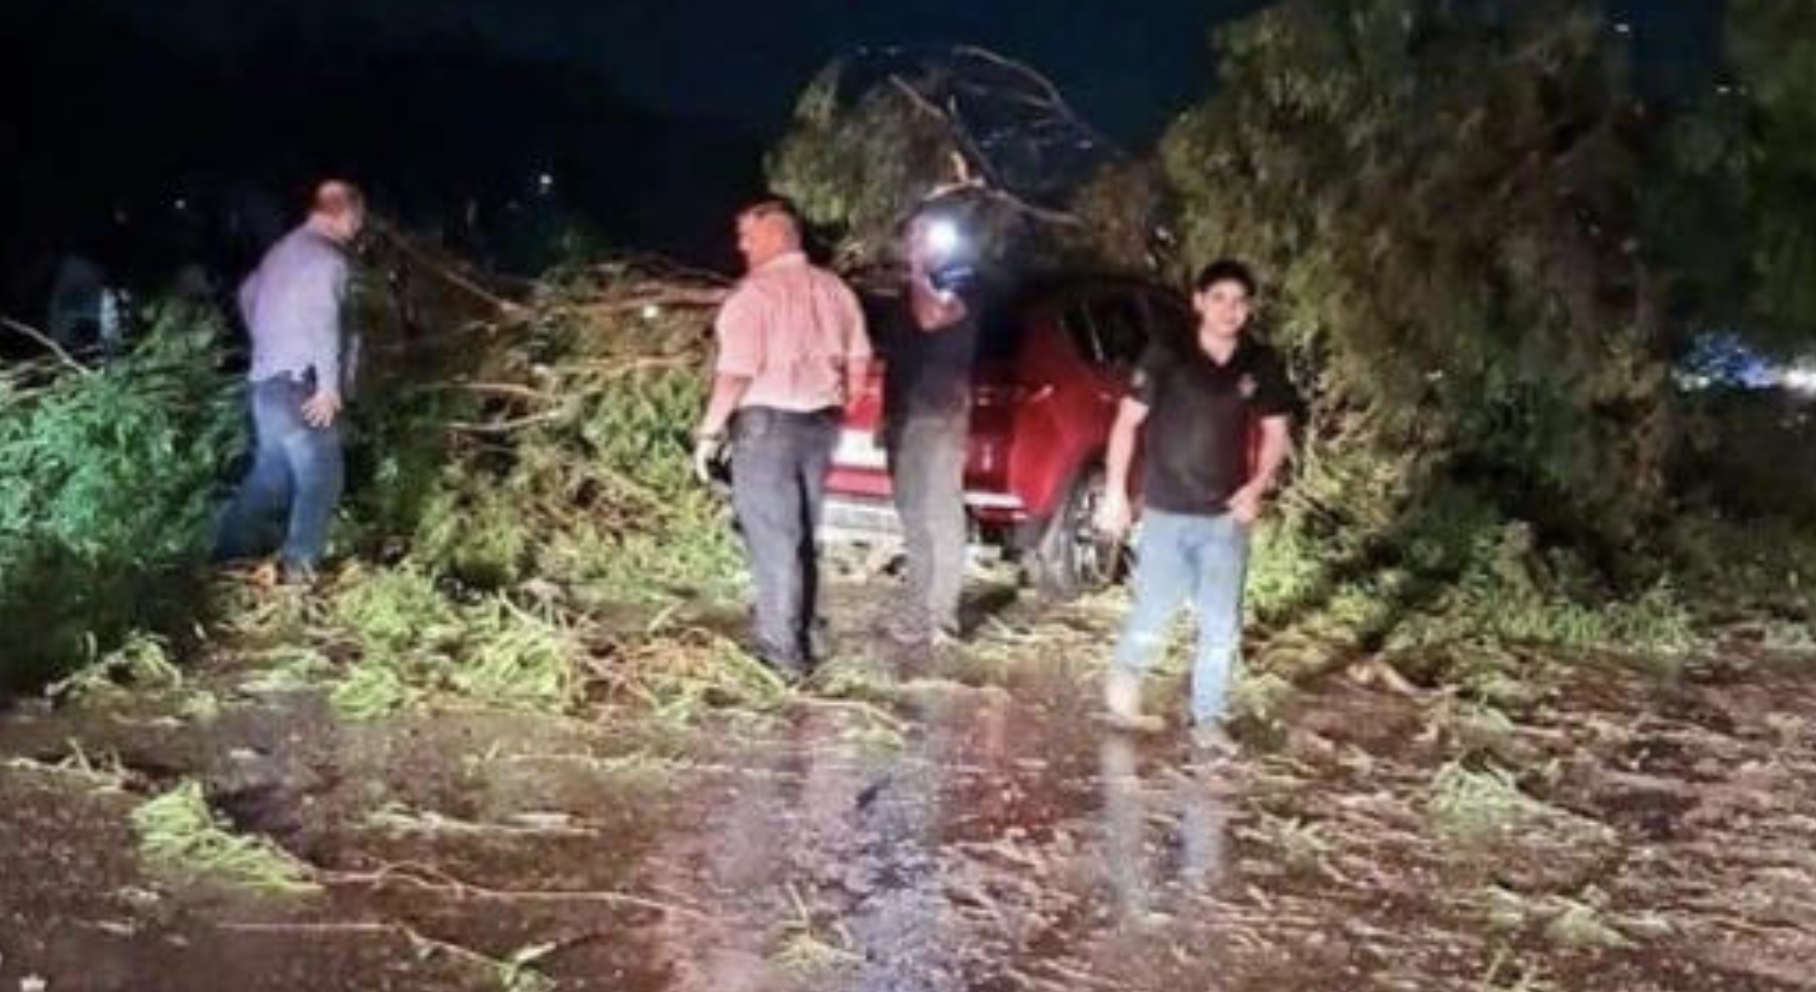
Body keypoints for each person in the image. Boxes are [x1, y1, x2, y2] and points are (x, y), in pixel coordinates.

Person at [1094, 259, 1298, 747]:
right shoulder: (1168, 353)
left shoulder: (1259, 362)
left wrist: (1257, 486)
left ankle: (1208, 719)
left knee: (1221, 622)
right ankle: (1124, 683)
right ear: (1199, 302)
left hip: (1226, 517)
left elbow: (1276, 432)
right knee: (1157, 609)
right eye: (1220, 298)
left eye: (1240, 301)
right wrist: (1116, 492)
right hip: (1167, 509)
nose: (1230, 310)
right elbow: (1126, 423)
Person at [694, 198, 871, 678]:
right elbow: (859, 361)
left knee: (774, 539)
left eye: (747, 235)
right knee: (802, 536)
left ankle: (780, 654)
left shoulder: (754, 296)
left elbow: (735, 374)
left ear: (774, 235)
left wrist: (708, 435)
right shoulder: (836, 291)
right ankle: (804, 633)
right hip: (819, 426)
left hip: (767, 429)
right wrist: (844, 403)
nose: (741, 245)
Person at [213, 180, 365, 583]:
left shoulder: (282, 252)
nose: (359, 227)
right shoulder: (327, 259)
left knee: (272, 480)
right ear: (343, 213)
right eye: (358, 218)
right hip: (303, 385)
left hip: (267, 385)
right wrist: (329, 386)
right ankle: (298, 570)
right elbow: (323, 320)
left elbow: (247, 293)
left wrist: (268, 342)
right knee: (322, 477)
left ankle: (225, 557)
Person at [880, 214, 984, 648]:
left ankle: (943, 618)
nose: (915, 242)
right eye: (911, 235)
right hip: (904, 417)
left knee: (941, 512)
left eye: (925, 234)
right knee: (912, 516)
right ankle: (917, 611)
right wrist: (884, 417)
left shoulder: (962, 280)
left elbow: (931, 319)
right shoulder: (906, 291)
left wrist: (920, 270)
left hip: (940, 416)